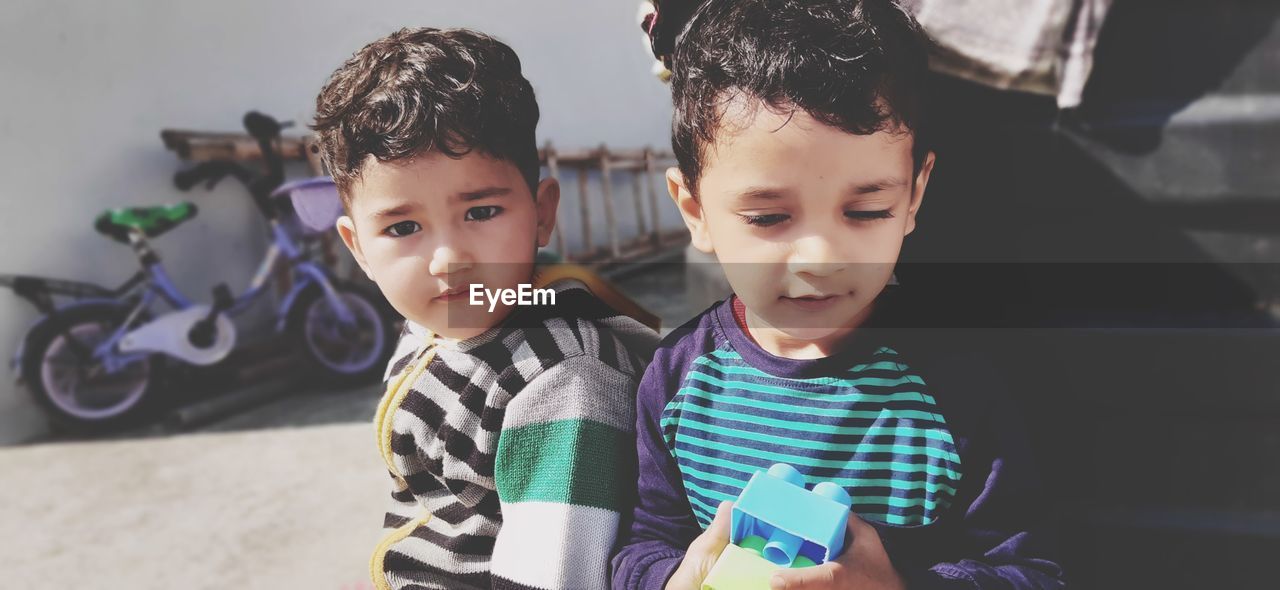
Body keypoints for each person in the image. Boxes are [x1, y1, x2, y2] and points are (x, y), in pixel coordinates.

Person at [614, 1, 1066, 588]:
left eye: (865, 211)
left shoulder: (959, 386)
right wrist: (675, 579)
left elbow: (1029, 571)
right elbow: (643, 544)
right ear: (694, 209)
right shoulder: (677, 381)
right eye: (769, 217)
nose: (821, 259)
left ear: (914, 196)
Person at [313, 27, 660, 590]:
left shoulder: (562, 382)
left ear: (541, 213)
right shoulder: (437, 323)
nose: (448, 260)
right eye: (403, 228)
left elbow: (553, 571)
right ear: (359, 249)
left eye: (481, 213)